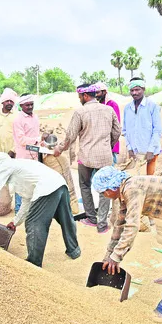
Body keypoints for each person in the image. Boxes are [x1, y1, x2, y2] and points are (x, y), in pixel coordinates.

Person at [91, 166, 162, 319]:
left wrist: (117, 256)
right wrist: (108, 256)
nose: (104, 195)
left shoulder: (132, 189)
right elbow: (120, 225)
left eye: (104, 191)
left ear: (112, 186)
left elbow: (132, 226)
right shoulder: (124, 192)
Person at [0, 153, 81, 267]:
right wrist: (15, 222)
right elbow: (27, 200)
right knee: (66, 219)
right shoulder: (20, 168)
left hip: (47, 187)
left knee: (34, 222)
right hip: (60, 184)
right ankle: (74, 250)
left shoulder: (4, 165)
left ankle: (34, 262)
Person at [54, 84, 121, 233]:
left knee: (85, 185)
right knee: (105, 188)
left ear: (85, 96)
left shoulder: (80, 112)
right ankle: (102, 224)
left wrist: (59, 148)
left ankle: (91, 218)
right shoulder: (108, 110)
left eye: (79, 97)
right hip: (105, 157)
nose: (79, 100)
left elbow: (70, 136)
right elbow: (117, 131)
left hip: (86, 157)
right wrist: (108, 146)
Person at [12, 94, 45, 214]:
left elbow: (35, 135)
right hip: (23, 156)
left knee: (32, 183)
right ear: (21, 106)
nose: (30, 106)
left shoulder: (35, 117)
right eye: (27, 105)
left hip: (34, 155)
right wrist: (37, 139)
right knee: (21, 183)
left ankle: (29, 209)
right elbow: (21, 140)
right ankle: (18, 210)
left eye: (32, 104)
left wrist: (41, 142)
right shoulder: (18, 120)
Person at [122, 77, 162, 175]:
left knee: (149, 183)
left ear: (143, 89)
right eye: (132, 90)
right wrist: (129, 148)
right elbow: (125, 131)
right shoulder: (127, 108)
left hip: (150, 153)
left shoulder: (152, 106)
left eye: (137, 90)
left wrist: (151, 150)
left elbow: (157, 130)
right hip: (134, 153)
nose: (134, 93)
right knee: (135, 183)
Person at [95, 82, 121, 164]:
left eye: (98, 92)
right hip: (100, 144)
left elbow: (116, 126)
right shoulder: (98, 105)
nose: (96, 95)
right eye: (95, 93)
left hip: (110, 145)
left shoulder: (112, 104)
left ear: (104, 92)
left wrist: (111, 143)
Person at [0, 88, 18, 155]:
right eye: (7, 101)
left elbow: (19, 136)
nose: (9, 103)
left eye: (11, 101)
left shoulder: (17, 116)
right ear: (2, 102)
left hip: (12, 154)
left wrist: (13, 150)